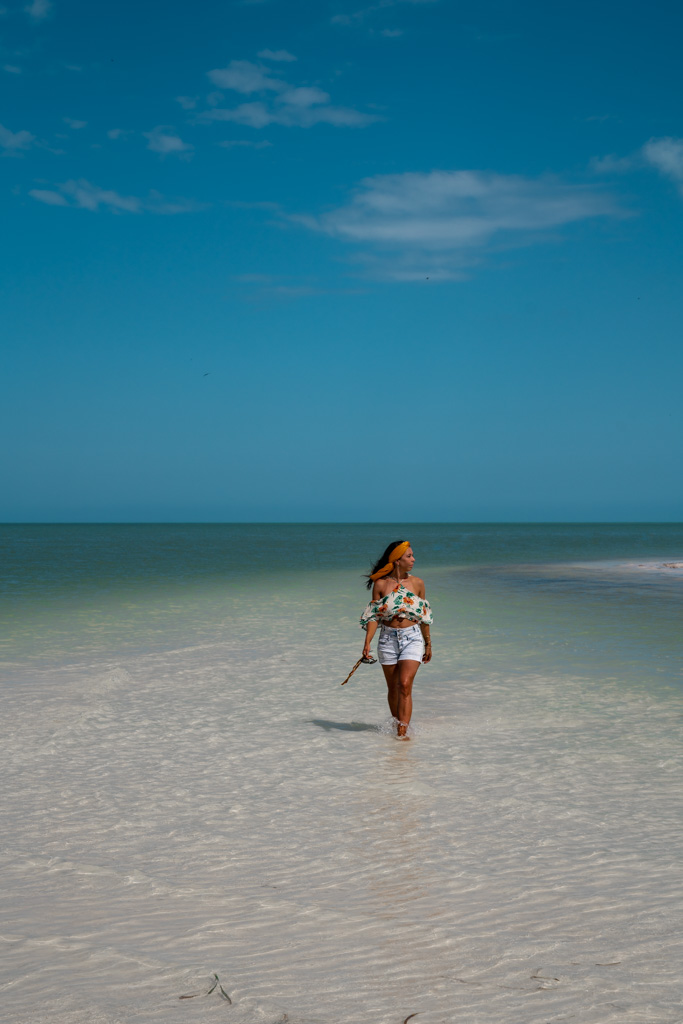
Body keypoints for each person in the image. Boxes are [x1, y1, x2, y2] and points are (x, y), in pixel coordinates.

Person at [360, 540, 433, 739]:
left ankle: (403, 733)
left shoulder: (417, 583)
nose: (413, 559)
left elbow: (424, 616)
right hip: (387, 639)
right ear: (396, 560)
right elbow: (374, 616)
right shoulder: (381, 584)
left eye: (412, 555)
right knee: (393, 688)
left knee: (404, 684)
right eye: (408, 556)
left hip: (413, 637)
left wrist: (428, 643)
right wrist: (367, 642)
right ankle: (396, 726)